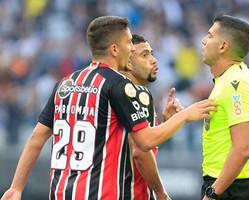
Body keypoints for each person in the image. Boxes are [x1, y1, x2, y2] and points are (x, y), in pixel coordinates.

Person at [1, 16, 216, 200]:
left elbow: (36, 138)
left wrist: (16, 187)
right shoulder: (119, 85)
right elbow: (143, 143)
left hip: (61, 193)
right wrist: (186, 115)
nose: (131, 47)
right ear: (115, 49)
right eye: (129, 42)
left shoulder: (66, 83)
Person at [200, 14, 249, 200]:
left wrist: (213, 193)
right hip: (230, 185)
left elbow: (244, 148)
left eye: (210, 35)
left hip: (231, 188)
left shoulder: (236, 83)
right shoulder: (240, 78)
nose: (204, 41)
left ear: (223, 46)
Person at [122, 34, 183, 200]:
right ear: (127, 61)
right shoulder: (135, 93)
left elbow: (138, 141)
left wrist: (165, 124)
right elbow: (140, 152)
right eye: (144, 55)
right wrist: (161, 193)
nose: (154, 60)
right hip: (131, 193)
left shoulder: (117, 91)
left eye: (152, 53)